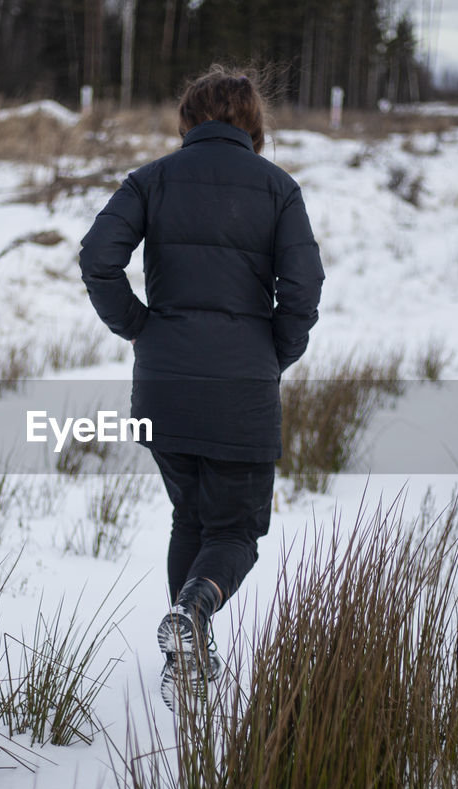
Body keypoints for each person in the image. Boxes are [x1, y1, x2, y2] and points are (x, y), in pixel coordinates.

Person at [78, 66, 324, 707]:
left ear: (188, 122)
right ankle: (192, 616)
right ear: (254, 126)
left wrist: (142, 330)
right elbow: (303, 288)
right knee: (236, 532)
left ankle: (189, 654)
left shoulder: (150, 180)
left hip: (165, 387)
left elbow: (97, 258)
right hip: (240, 386)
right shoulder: (278, 189)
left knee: (191, 516)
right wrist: (275, 353)